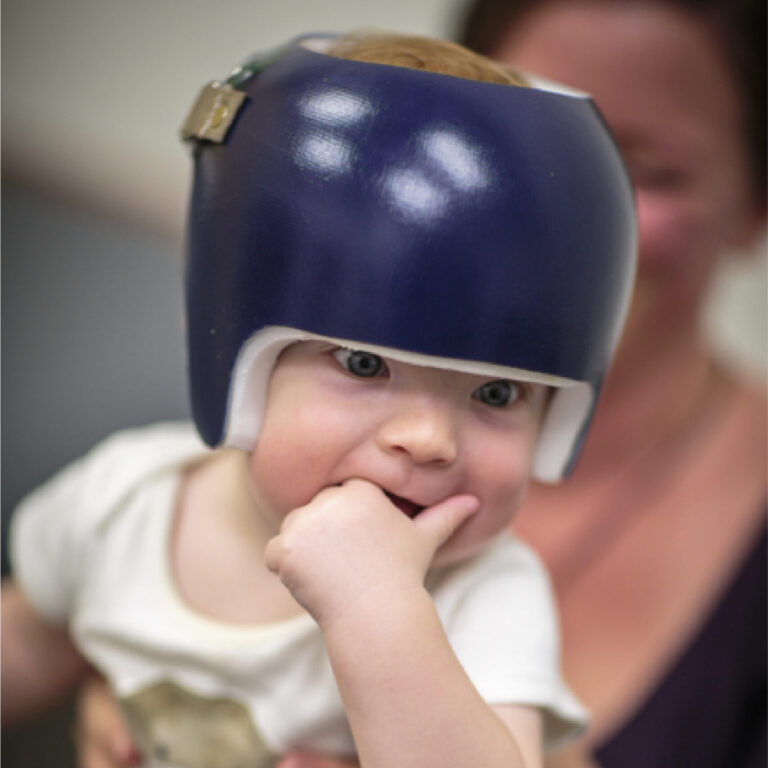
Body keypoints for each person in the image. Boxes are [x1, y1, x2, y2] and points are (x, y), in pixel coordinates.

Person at [69, 3, 768, 766]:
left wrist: (379, 611)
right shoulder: (129, 497)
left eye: (498, 393)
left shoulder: (484, 597)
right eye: (365, 365)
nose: (428, 439)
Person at [457, 1, 766, 766]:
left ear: (754, 206)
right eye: (524, 138)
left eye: (652, 172)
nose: (572, 215)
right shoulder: (316, 391)